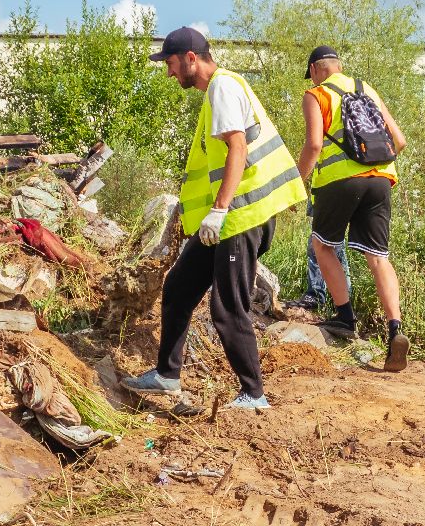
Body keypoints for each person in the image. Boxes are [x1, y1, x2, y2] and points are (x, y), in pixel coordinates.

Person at [123, 26, 307, 412]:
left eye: (171, 64)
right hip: (226, 219)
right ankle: (167, 375)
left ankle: (254, 395)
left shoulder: (222, 88)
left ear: (191, 58)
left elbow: (237, 148)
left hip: (238, 218)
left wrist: (220, 210)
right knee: (179, 287)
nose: (169, 72)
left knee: (228, 307)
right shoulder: (218, 91)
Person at [296, 45, 411, 371]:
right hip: (381, 178)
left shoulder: (316, 94)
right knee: (378, 258)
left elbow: (315, 144)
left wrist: (297, 181)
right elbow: (398, 141)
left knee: (322, 246)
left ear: (317, 69)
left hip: (340, 181)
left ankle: (345, 318)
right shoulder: (366, 89)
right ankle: (394, 330)